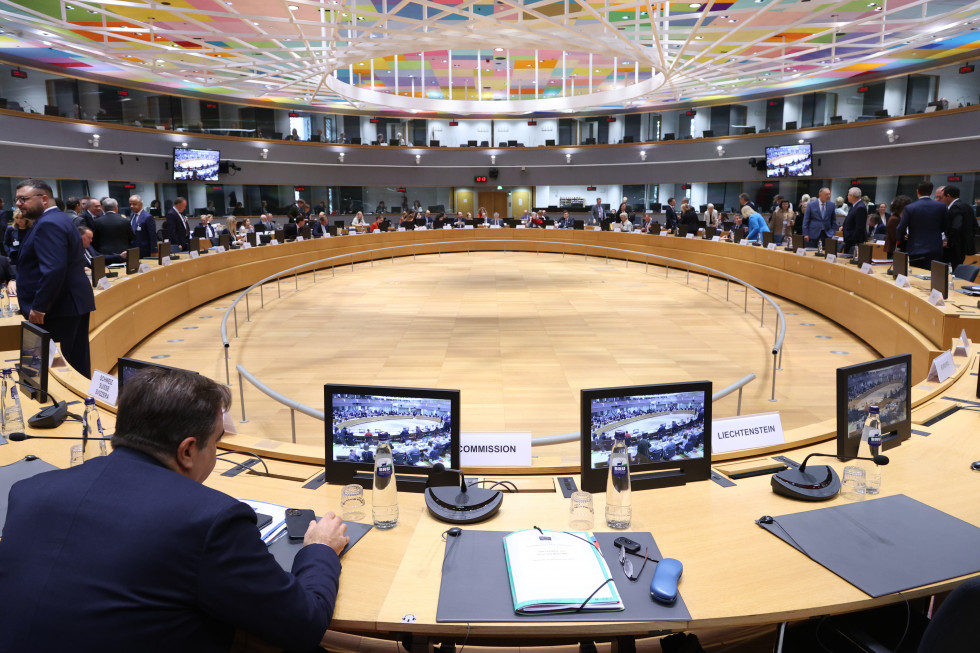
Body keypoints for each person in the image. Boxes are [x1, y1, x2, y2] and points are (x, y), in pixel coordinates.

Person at [0, 367, 348, 652]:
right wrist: (319, 549)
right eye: (216, 443)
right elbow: (303, 626)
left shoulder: (29, 492)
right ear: (187, 450)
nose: (214, 454)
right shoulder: (210, 520)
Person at [12, 179, 96, 377]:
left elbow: (53, 269)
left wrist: (40, 306)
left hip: (57, 308)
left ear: (44, 199)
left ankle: (68, 407)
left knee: (59, 370)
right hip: (69, 303)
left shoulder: (48, 223)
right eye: (17, 199)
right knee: (75, 363)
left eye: (24, 199)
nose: (18, 204)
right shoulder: (60, 218)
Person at [896, 181, 947, 269]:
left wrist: (901, 238)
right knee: (933, 276)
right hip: (935, 248)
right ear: (931, 192)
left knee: (916, 276)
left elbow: (901, 227)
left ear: (917, 191)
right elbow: (945, 226)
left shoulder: (910, 208)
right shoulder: (941, 207)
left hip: (915, 248)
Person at [941, 185, 977, 268]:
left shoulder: (955, 207)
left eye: (942, 197)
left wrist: (949, 242)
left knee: (950, 270)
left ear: (948, 196)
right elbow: (975, 226)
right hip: (964, 246)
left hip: (955, 248)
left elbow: (956, 227)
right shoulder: (967, 206)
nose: (942, 199)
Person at [840, 187, 868, 255]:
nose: (847, 197)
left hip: (853, 241)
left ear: (852, 196)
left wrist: (852, 239)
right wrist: (843, 226)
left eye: (848, 195)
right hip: (849, 239)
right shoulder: (854, 205)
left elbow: (859, 227)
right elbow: (850, 219)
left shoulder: (860, 207)